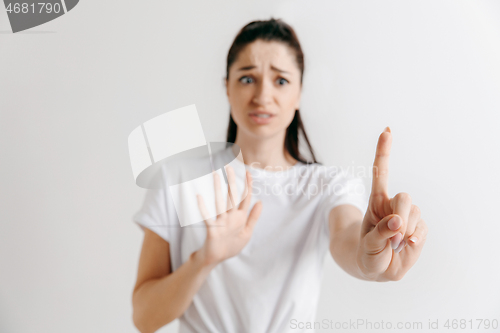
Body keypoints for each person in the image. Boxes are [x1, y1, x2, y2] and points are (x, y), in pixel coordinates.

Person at [131, 18, 428, 333]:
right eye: (247, 79)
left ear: (299, 92)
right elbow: (145, 318)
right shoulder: (177, 178)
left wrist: (371, 254)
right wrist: (204, 259)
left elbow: (350, 238)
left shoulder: (327, 186)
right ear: (227, 87)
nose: (262, 95)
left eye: (281, 81)